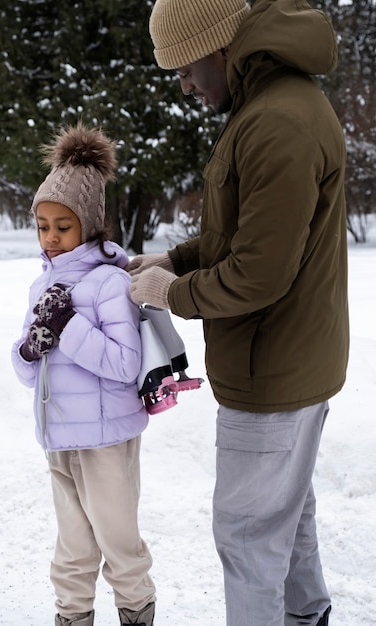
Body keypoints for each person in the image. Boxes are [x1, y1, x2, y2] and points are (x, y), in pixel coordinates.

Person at [126, 0, 349, 625]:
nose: (184, 85)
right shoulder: (275, 104)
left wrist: (169, 295)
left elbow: (258, 273)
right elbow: (245, 237)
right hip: (294, 362)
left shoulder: (277, 120)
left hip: (272, 373)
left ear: (216, 47)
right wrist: (171, 259)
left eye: (185, 67)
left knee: (249, 536)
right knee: (287, 513)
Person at [11, 123, 156, 626]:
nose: (51, 238)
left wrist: (67, 326)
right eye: (42, 225)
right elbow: (30, 373)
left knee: (118, 540)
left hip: (106, 440)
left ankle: (136, 612)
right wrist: (31, 349)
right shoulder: (41, 287)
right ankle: (72, 616)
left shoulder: (109, 284)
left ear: (90, 226)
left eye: (63, 226)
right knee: (72, 547)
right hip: (58, 437)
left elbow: (125, 365)